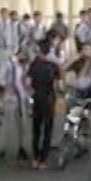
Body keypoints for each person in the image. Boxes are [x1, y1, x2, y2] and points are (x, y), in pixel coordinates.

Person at [25, 41, 61, 170]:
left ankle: (35, 158)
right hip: (49, 98)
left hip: (37, 98)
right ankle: (44, 160)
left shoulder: (33, 65)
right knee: (48, 129)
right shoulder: (54, 65)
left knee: (36, 129)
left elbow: (28, 84)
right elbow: (58, 85)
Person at [0, 48, 28, 166]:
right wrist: (6, 88)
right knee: (8, 124)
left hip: (21, 97)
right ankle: (5, 148)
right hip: (10, 97)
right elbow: (0, 79)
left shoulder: (23, 65)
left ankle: (21, 146)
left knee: (23, 124)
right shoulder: (8, 64)